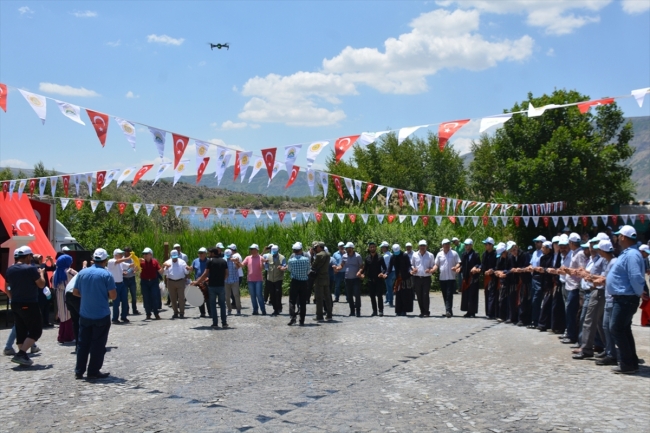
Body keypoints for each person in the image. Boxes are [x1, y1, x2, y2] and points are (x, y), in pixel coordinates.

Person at [605, 225, 646, 374]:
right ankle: (631, 362)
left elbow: (635, 276)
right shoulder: (628, 253)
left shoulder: (632, 254)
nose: (616, 238)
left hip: (626, 298)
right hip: (623, 297)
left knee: (616, 328)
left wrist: (639, 292)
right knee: (623, 329)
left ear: (623, 237)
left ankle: (626, 363)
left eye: (618, 235)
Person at [73, 248, 117, 380]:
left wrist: (87, 295)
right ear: (105, 260)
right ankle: (93, 371)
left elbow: (75, 292)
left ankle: (79, 371)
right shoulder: (107, 275)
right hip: (101, 314)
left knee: (82, 343)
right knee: (98, 344)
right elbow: (113, 296)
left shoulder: (82, 273)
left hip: (85, 313)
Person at [5, 246, 46, 366]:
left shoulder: (10, 270)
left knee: (20, 329)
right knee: (36, 330)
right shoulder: (30, 269)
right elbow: (41, 285)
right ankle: (21, 353)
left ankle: (23, 357)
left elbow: (6, 287)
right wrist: (41, 274)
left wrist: (12, 297)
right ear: (28, 256)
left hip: (15, 303)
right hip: (29, 303)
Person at [573, 236, 608, 359]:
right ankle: (608, 348)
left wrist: (589, 276)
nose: (592, 247)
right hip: (592, 291)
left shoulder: (603, 259)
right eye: (591, 244)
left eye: (595, 244)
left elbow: (603, 278)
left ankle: (587, 349)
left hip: (598, 292)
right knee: (598, 323)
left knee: (589, 321)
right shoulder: (593, 259)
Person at [594, 240, 618, 366]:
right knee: (605, 326)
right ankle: (609, 351)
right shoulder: (609, 262)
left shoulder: (613, 262)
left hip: (612, 298)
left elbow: (611, 280)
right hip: (608, 296)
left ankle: (612, 354)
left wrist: (599, 281)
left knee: (610, 327)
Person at [192, 247, 229, 329]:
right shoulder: (224, 261)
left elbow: (205, 274)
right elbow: (227, 274)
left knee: (213, 305)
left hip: (212, 286)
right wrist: (221, 280)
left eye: (209, 253)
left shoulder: (210, 261)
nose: (208, 255)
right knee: (222, 305)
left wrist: (197, 282)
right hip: (221, 286)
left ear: (213, 253)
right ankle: (224, 323)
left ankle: (215, 323)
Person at [560, 233, 586, 344]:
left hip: (575, 287)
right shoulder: (574, 253)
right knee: (569, 311)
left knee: (571, 312)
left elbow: (582, 270)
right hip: (569, 285)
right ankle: (570, 333)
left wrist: (569, 271)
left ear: (571, 243)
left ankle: (572, 335)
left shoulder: (579, 254)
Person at [52, 254, 77, 342]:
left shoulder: (55, 272)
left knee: (63, 316)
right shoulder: (69, 271)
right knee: (70, 315)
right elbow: (79, 277)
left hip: (59, 295)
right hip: (70, 295)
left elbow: (53, 286)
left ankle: (61, 336)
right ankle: (70, 336)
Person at [432, 239, 460, 318]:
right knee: (445, 295)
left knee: (449, 294)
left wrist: (456, 267)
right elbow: (436, 264)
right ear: (442, 245)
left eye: (448, 244)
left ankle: (448, 311)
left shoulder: (454, 253)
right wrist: (432, 270)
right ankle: (449, 311)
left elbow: (458, 262)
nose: (447, 245)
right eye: (445, 244)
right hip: (442, 278)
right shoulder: (439, 254)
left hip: (451, 277)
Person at [359, 241, 387, 317]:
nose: (372, 248)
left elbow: (385, 268)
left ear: (376, 248)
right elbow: (365, 269)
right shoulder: (367, 258)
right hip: (370, 279)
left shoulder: (380, 257)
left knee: (379, 295)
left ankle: (381, 310)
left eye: (373, 247)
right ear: (369, 248)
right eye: (371, 247)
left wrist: (382, 273)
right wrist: (363, 274)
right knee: (372, 296)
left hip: (378, 279)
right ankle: (374, 311)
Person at [237, 244, 266, 315]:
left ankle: (263, 310)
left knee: (259, 295)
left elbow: (262, 268)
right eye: (250, 249)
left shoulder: (260, 258)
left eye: (252, 249)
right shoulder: (248, 258)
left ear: (256, 250)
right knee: (252, 295)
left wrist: (262, 262)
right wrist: (237, 262)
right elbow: (242, 265)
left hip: (258, 279)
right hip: (250, 279)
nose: (251, 250)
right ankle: (255, 310)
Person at [336, 242, 364, 317]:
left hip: (355, 279)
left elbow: (361, 266)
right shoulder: (344, 256)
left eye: (347, 248)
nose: (346, 249)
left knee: (357, 295)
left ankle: (358, 311)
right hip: (347, 278)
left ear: (351, 248)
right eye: (346, 248)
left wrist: (359, 272)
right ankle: (352, 311)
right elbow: (342, 265)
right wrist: (337, 268)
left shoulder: (358, 256)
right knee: (349, 295)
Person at [456, 239, 481, 318]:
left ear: (471, 245)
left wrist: (476, 267)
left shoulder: (475, 254)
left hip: (473, 277)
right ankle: (468, 311)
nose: (466, 246)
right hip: (466, 277)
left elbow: (479, 264)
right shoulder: (464, 254)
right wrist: (460, 269)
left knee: (472, 295)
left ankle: (472, 312)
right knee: (466, 295)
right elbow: (463, 264)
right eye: (465, 245)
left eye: (468, 245)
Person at [387, 244, 414, 317]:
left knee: (405, 295)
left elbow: (409, 265)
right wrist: (386, 274)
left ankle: (404, 310)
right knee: (398, 295)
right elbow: (389, 267)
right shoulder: (393, 257)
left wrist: (412, 270)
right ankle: (398, 310)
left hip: (405, 277)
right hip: (398, 278)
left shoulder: (405, 256)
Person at [287, 243, 311, 326]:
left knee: (292, 301)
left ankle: (293, 317)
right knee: (302, 302)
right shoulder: (306, 260)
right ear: (301, 250)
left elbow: (289, 270)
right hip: (304, 282)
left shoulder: (291, 260)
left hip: (295, 281)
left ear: (294, 251)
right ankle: (302, 320)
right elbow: (308, 271)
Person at [534, 241, 555, 331]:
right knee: (545, 303)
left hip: (550, 282)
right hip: (543, 282)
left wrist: (544, 270)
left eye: (543, 247)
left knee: (546, 304)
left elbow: (551, 269)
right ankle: (545, 323)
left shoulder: (552, 257)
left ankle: (542, 324)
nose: (542, 249)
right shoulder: (542, 258)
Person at [410, 240, 434, 318]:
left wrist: (430, 270)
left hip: (426, 278)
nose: (422, 247)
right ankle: (422, 311)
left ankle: (427, 311)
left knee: (425, 295)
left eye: (424, 245)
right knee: (419, 295)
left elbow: (433, 266)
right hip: (417, 278)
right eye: (421, 246)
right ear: (419, 246)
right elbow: (412, 265)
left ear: (426, 246)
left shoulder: (430, 255)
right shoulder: (415, 255)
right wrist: (413, 269)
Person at [163, 250, 190, 319]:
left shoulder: (182, 262)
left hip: (180, 281)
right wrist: (166, 268)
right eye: (173, 257)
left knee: (181, 298)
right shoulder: (167, 262)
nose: (175, 258)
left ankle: (181, 312)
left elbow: (186, 272)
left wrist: (188, 269)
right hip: (171, 282)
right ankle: (175, 312)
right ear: (171, 256)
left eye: (176, 257)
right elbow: (164, 273)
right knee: (173, 298)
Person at [107, 249, 132, 324]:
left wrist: (138, 261)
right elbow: (117, 262)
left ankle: (123, 317)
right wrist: (127, 258)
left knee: (125, 300)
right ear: (116, 255)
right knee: (116, 302)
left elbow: (129, 266)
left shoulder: (121, 263)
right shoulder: (111, 261)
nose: (122, 255)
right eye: (120, 254)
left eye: (122, 254)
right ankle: (115, 318)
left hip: (121, 283)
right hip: (114, 284)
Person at [262, 245, 287, 316]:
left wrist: (281, 267)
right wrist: (265, 263)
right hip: (270, 278)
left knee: (278, 294)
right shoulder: (268, 256)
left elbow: (285, 266)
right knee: (272, 295)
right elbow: (265, 267)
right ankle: (275, 309)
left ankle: (279, 308)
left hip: (278, 279)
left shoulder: (282, 257)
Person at [311, 241, 333, 322]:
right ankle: (329, 314)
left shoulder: (318, 255)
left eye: (317, 247)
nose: (316, 248)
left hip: (319, 278)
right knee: (327, 297)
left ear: (320, 247)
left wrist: (313, 255)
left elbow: (313, 265)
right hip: (326, 277)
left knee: (319, 298)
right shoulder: (328, 254)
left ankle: (319, 316)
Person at [529, 236, 547, 329]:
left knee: (537, 300)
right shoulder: (535, 253)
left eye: (538, 242)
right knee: (533, 300)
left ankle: (536, 320)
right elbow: (532, 263)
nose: (536, 243)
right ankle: (534, 319)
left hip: (540, 278)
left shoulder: (543, 254)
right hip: (534, 278)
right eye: (535, 242)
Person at [139, 247, 162, 320]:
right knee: (146, 298)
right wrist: (136, 262)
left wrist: (164, 267)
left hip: (153, 281)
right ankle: (148, 313)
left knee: (155, 297)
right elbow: (135, 269)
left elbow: (160, 271)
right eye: (144, 254)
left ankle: (156, 313)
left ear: (150, 254)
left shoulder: (155, 262)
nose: (145, 255)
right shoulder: (141, 262)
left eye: (146, 254)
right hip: (144, 281)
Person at [480, 237, 497, 319]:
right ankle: (488, 312)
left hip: (493, 277)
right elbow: (483, 265)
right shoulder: (484, 254)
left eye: (486, 244)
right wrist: (481, 269)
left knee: (492, 295)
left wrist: (492, 270)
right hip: (486, 277)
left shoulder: (496, 254)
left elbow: (497, 265)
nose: (485, 246)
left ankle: (492, 312)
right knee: (487, 294)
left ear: (491, 245)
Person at [121, 247, 141, 315]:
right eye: (126, 251)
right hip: (124, 279)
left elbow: (136, 265)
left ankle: (134, 309)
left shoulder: (132, 258)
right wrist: (122, 272)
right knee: (125, 296)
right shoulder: (122, 259)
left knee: (134, 295)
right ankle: (126, 310)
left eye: (128, 251)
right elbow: (120, 267)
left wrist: (135, 270)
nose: (127, 253)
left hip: (132, 278)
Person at [192, 247, 210, 317]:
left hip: (207, 281)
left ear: (205, 253)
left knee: (208, 298)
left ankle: (210, 312)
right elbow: (191, 270)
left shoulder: (209, 261)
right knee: (199, 297)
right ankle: (202, 312)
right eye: (199, 253)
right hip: (198, 282)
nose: (200, 254)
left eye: (202, 253)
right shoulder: (195, 261)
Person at [223, 249, 242, 316]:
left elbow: (239, 267)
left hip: (235, 280)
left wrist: (236, 262)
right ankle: (229, 309)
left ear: (231, 254)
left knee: (236, 295)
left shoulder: (235, 259)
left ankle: (238, 309)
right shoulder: (223, 260)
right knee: (227, 296)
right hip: (226, 281)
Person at [638, 244, 650, 327]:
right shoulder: (637, 260)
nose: (648, 254)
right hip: (639, 283)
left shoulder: (644, 259)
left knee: (646, 299)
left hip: (642, 281)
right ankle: (646, 320)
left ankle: (646, 319)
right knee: (646, 299)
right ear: (641, 252)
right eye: (646, 253)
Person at [380, 241, 395, 307]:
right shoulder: (391, 254)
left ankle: (390, 301)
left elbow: (385, 266)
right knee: (389, 287)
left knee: (389, 288)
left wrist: (382, 273)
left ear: (385, 248)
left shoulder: (385, 256)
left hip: (389, 273)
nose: (381, 249)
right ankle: (387, 299)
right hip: (394, 272)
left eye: (382, 247)